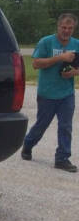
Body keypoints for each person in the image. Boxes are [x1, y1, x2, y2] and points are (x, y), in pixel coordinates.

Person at [21, 12, 79, 172]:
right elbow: (36, 64)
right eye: (64, 27)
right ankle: (28, 143)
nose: (66, 31)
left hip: (66, 93)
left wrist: (73, 73)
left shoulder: (76, 44)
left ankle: (62, 158)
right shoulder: (46, 42)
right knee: (42, 124)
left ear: (73, 29)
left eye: (70, 28)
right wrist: (60, 58)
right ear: (58, 27)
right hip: (47, 92)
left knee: (66, 126)